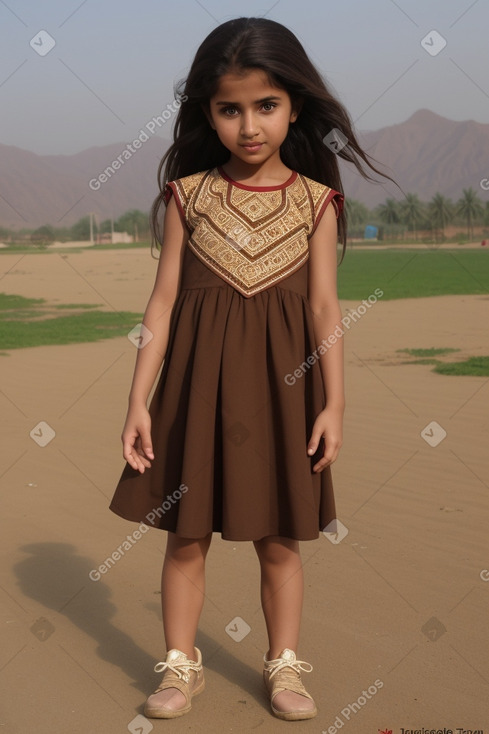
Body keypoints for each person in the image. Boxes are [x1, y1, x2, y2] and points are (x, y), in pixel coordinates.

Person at [109, 16, 395, 721]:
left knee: (280, 540)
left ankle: (283, 667)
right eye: (228, 108)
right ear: (206, 111)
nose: (247, 125)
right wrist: (137, 400)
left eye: (265, 106)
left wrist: (334, 405)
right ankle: (180, 667)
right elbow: (164, 300)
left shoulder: (316, 202)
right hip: (194, 391)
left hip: (283, 392)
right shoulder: (188, 195)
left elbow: (325, 309)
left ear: (294, 104)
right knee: (185, 536)